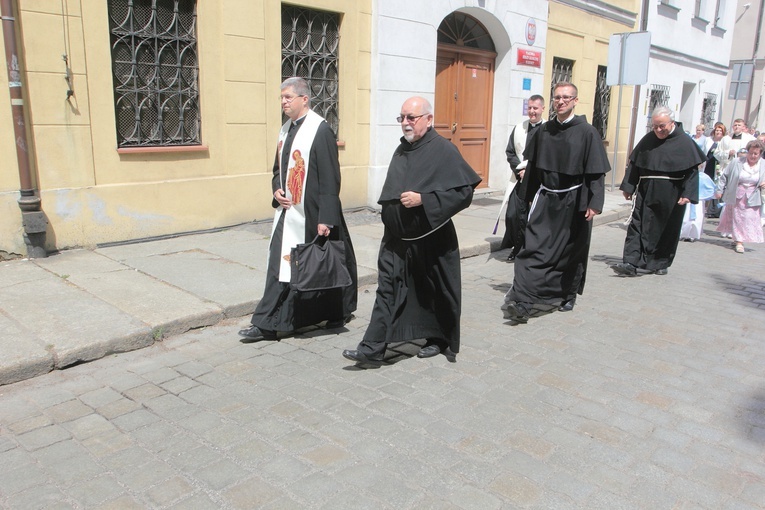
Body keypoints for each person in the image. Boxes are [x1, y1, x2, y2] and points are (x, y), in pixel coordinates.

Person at [342, 96, 481, 367]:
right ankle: (371, 349)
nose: (405, 123)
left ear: (429, 120)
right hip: (397, 239)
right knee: (388, 289)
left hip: (431, 238)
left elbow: (464, 193)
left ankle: (437, 339)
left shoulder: (444, 150)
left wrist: (425, 199)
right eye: (402, 117)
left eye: (411, 118)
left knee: (434, 291)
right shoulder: (402, 149)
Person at [238, 77, 357, 341]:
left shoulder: (320, 130)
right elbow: (277, 170)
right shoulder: (285, 130)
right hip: (288, 211)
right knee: (280, 266)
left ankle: (337, 311)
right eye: (281, 98)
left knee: (321, 267)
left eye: (288, 97)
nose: (283, 102)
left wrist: (326, 218)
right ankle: (267, 323)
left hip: (313, 213)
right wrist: (276, 189)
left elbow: (330, 177)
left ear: (304, 99)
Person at [503, 82, 610, 322]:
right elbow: (533, 169)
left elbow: (595, 173)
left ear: (575, 101)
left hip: (574, 201)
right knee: (531, 248)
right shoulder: (544, 131)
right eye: (557, 98)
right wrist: (527, 197)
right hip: (546, 198)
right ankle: (522, 300)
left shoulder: (587, 132)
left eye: (566, 98)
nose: (560, 101)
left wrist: (595, 202)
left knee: (570, 251)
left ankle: (567, 294)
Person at [612, 107, 704, 277]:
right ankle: (630, 262)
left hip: (672, 193)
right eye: (654, 127)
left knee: (666, 228)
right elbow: (635, 163)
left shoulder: (684, 142)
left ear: (672, 123)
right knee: (637, 224)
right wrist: (628, 186)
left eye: (662, 126)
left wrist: (687, 193)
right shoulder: (649, 139)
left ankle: (661, 262)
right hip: (646, 190)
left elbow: (692, 171)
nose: (658, 130)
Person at [498, 95, 546, 261]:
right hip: (519, 180)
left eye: (535, 108)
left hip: (539, 182)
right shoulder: (519, 128)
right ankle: (517, 248)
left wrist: (531, 171)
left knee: (533, 218)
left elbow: (548, 156)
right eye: (530, 108)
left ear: (542, 109)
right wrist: (520, 170)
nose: (532, 111)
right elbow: (510, 152)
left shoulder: (548, 129)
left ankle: (530, 251)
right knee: (513, 215)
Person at [714, 139, 765, 253]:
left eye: (755, 154)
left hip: (753, 196)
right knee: (737, 218)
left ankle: (738, 238)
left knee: (749, 219)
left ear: (760, 154)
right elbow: (724, 176)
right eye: (750, 153)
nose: (752, 156)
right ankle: (739, 242)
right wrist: (719, 190)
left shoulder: (763, 165)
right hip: (737, 195)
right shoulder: (737, 162)